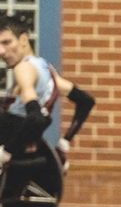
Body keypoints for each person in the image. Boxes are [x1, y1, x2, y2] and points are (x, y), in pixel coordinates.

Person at [0, 16, 95, 170]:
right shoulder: (47, 70)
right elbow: (86, 101)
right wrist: (64, 143)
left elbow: (35, 118)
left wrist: (5, 153)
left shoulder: (23, 69)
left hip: (11, 147)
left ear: (23, 39)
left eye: (7, 42)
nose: (1, 51)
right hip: (30, 148)